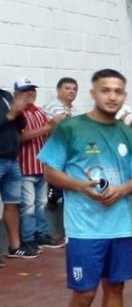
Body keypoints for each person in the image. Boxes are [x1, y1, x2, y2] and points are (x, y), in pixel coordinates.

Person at [38, 68, 132, 307]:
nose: (112, 96)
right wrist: (80, 186)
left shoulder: (128, 135)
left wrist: (123, 189)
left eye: (118, 91)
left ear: (124, 96)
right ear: (94, 93)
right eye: (106, 90)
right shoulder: (71, 129)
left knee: (115, 287)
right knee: (84, 293)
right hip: (86, 230)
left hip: (118, 228)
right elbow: (49, 172)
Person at [16, 78, 64, 251]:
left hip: (41, 167)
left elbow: (48, 136)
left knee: (40, 204)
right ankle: (28, 238)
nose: (30, 93)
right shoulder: (18, 114)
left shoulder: (40, 112)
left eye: (33, 90)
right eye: (26, 90)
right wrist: (48, 127)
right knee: (28, 205)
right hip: (25, 167)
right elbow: (21, 137)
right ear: (17, 94)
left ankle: (42, 235)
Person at [0, 83, 36, 260]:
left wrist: (22, 109)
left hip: (11, 160)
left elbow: (19, 125)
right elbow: (8, 118)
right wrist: (10, 114)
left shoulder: (6, 95)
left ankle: (15, 247)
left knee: (12, 204)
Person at [43, 77, 78, 241]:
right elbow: (46, 130)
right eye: (67, 88)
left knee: (73, 193)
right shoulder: (50, 107)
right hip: (57, 156)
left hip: (73, 157)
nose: (71, 91)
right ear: (58, 90)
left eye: (74, 89)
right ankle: (52, 231)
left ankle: (70, 230)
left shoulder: (76, 110)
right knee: (56, 195)